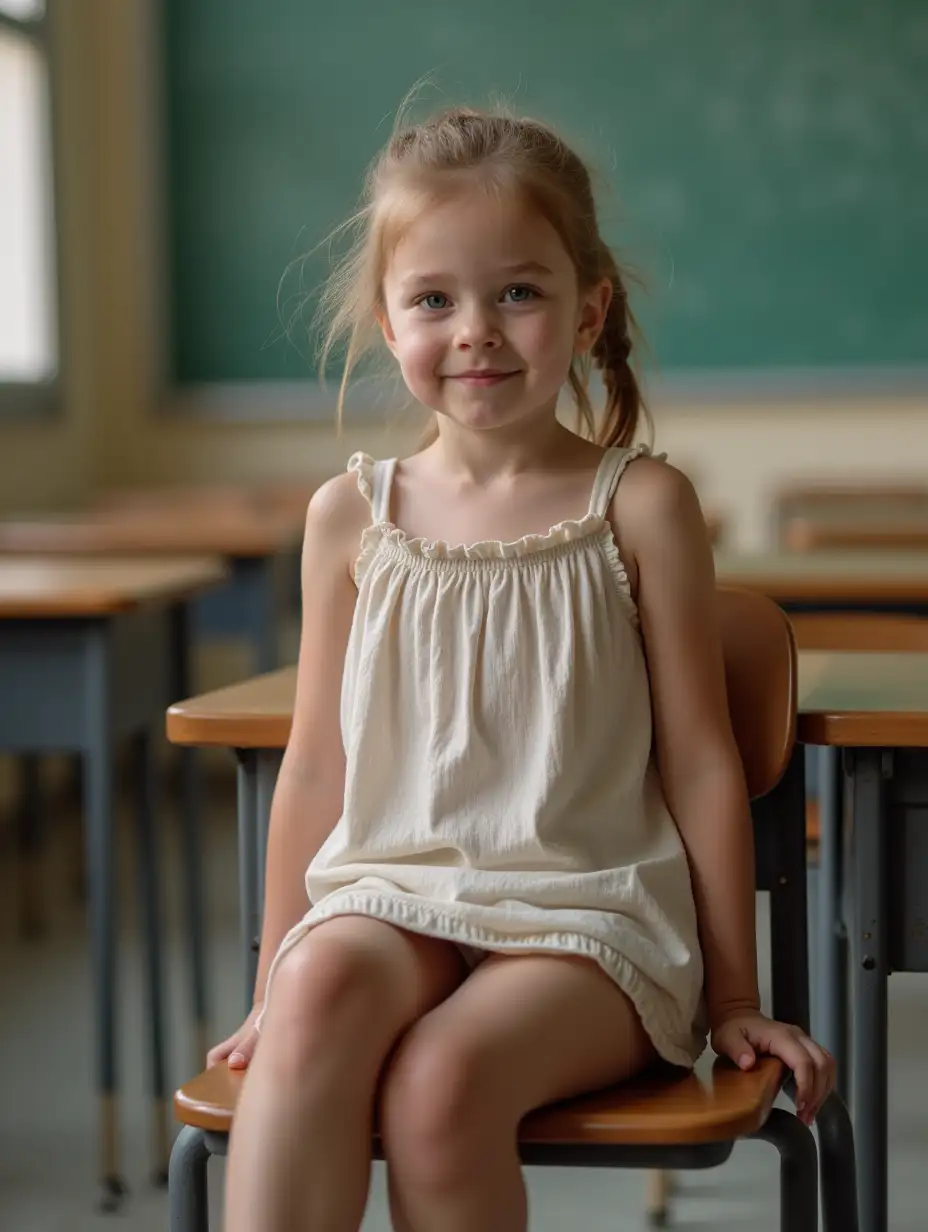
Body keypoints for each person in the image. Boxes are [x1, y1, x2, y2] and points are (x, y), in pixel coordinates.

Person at [209, 105, 835, 1232]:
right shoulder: (349, 515)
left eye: (519, 292)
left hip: (584, 921)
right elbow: (314, 767)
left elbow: (702, 761)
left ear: (587, 309)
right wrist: (271, 994)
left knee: (440, 1085)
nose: (476, 332)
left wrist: (736, 995)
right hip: (391, 896)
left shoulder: (640, 507)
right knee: (315, 994)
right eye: (434, 298)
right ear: (387, 319)